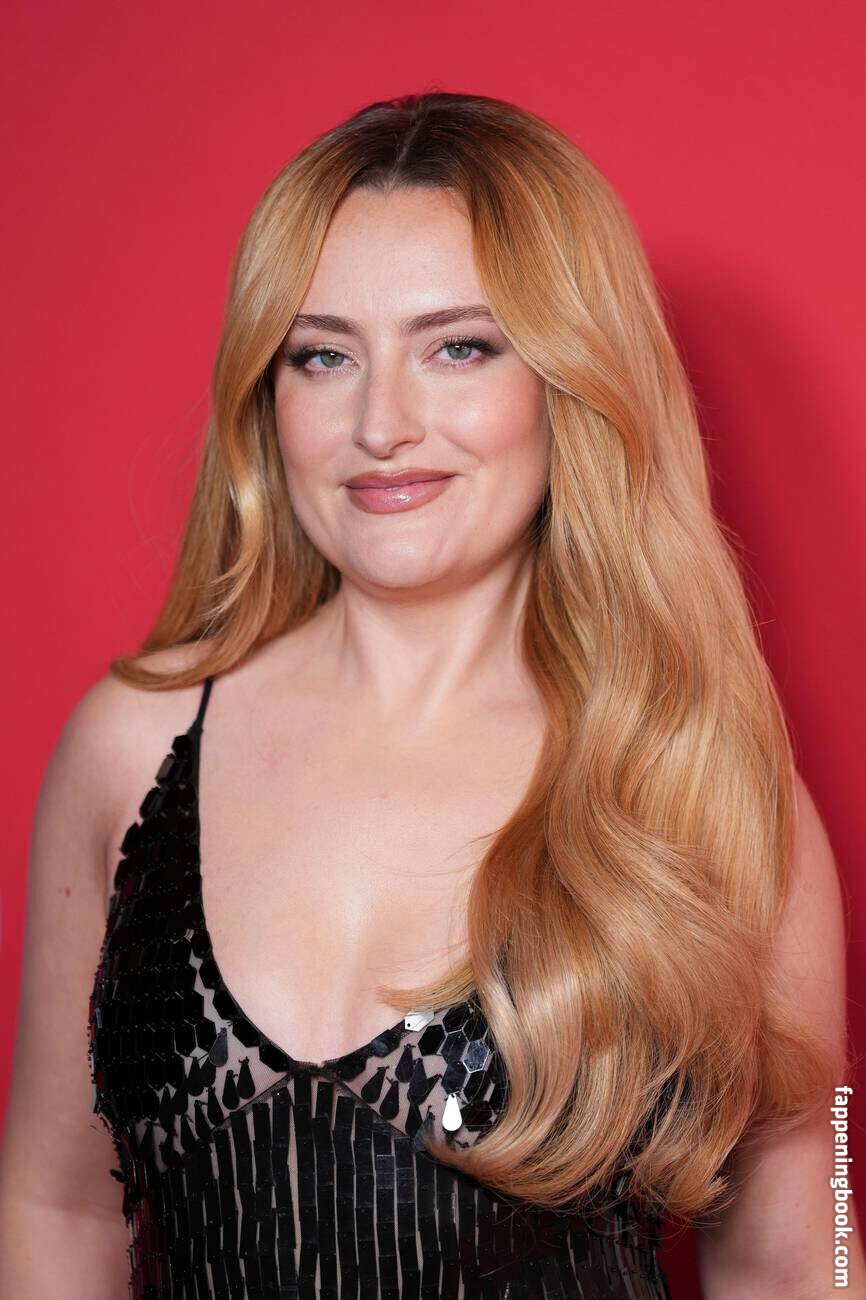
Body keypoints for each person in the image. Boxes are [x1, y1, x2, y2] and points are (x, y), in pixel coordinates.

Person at [1, 90, 862, 1300]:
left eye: (456, 347)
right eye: (322, 355)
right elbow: (54, 1206)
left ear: (570, 378)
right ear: (267, 392)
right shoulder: (129, 747)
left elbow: (802, 1250)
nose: (380, 424)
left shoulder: (704, 792)